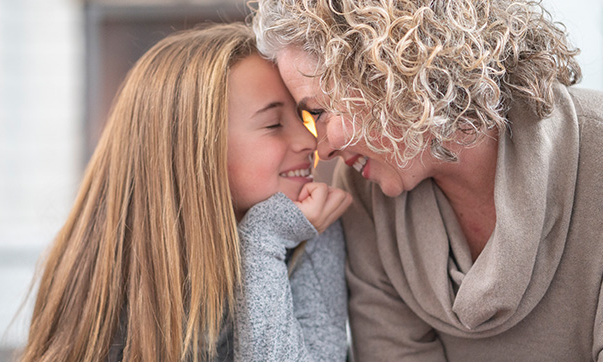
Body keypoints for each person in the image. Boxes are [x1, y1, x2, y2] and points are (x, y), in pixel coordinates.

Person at [253, 0, 603, 361]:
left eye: (319, 113)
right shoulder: (363, 193)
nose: (322, 150)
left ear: (388, 74)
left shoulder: (595, 153)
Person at [18, 23, 351, 362]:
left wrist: (264, 240)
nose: (311, 142)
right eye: (274, 124)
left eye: (302, 117)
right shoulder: (106, 268)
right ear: (193, 152)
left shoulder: (309, 234)